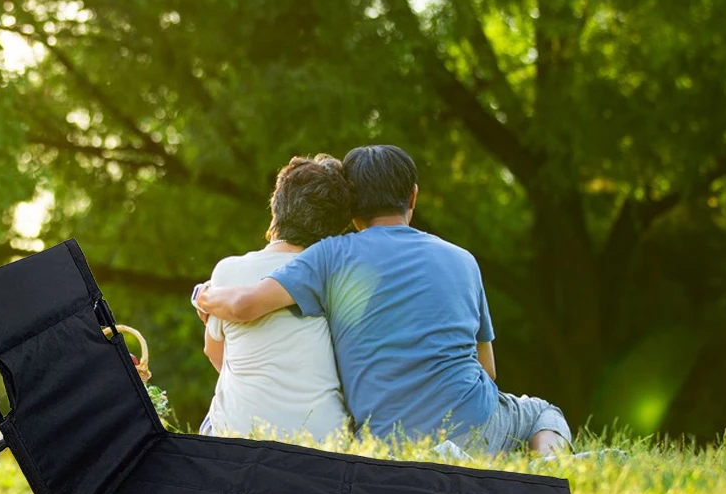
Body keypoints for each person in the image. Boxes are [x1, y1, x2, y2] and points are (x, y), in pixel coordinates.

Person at [195, 144, 572, 456]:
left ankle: (437, 456)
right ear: (413, 196)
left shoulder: (329, 256)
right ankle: (549, 464)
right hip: (476, 426)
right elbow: (487, 371)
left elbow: (247, 304)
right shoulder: (462, 259)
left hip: (383, 444)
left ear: (352, 209)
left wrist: (206, 295)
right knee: (540, 411)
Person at [197, 153, 353, 443]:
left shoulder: (228, 271)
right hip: (325, 440)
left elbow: (213, 352)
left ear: (277, 207)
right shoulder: (339, 274)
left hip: (241, 436)